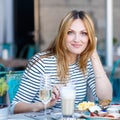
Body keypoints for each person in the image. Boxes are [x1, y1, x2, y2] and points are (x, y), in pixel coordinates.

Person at [10, 10, 112, 114]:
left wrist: (93, 54)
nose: (77, 39)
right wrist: (44, 104)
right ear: (62, 35)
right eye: (70, 32)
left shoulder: (86, 63)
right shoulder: (42, 63)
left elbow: (106, 99)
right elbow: (15, 107)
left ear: (90, 38)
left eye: (84, 33)